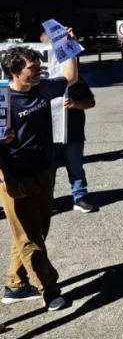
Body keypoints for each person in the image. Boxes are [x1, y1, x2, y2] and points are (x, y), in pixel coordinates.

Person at [0, 38, 80, 311]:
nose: (39, 71)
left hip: (44, 170)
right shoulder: (3, 100)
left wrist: (66, 45)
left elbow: (70, 76)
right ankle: (50, 290)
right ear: (14, 71)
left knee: (37, 231)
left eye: (38, 66)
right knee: (29, 238)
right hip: (14, 177)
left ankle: (16, 284)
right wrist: (6, 179)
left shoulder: (42, 88)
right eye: (32, 68)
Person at [56, 74, 98, 213]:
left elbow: (91, 102)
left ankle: (80, 198)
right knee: (47, 172)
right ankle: (46, 200)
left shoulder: (76, 80)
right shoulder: (42, 80)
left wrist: (75, 104)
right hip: (49, 136)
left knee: (76, 168)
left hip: (74, 134)